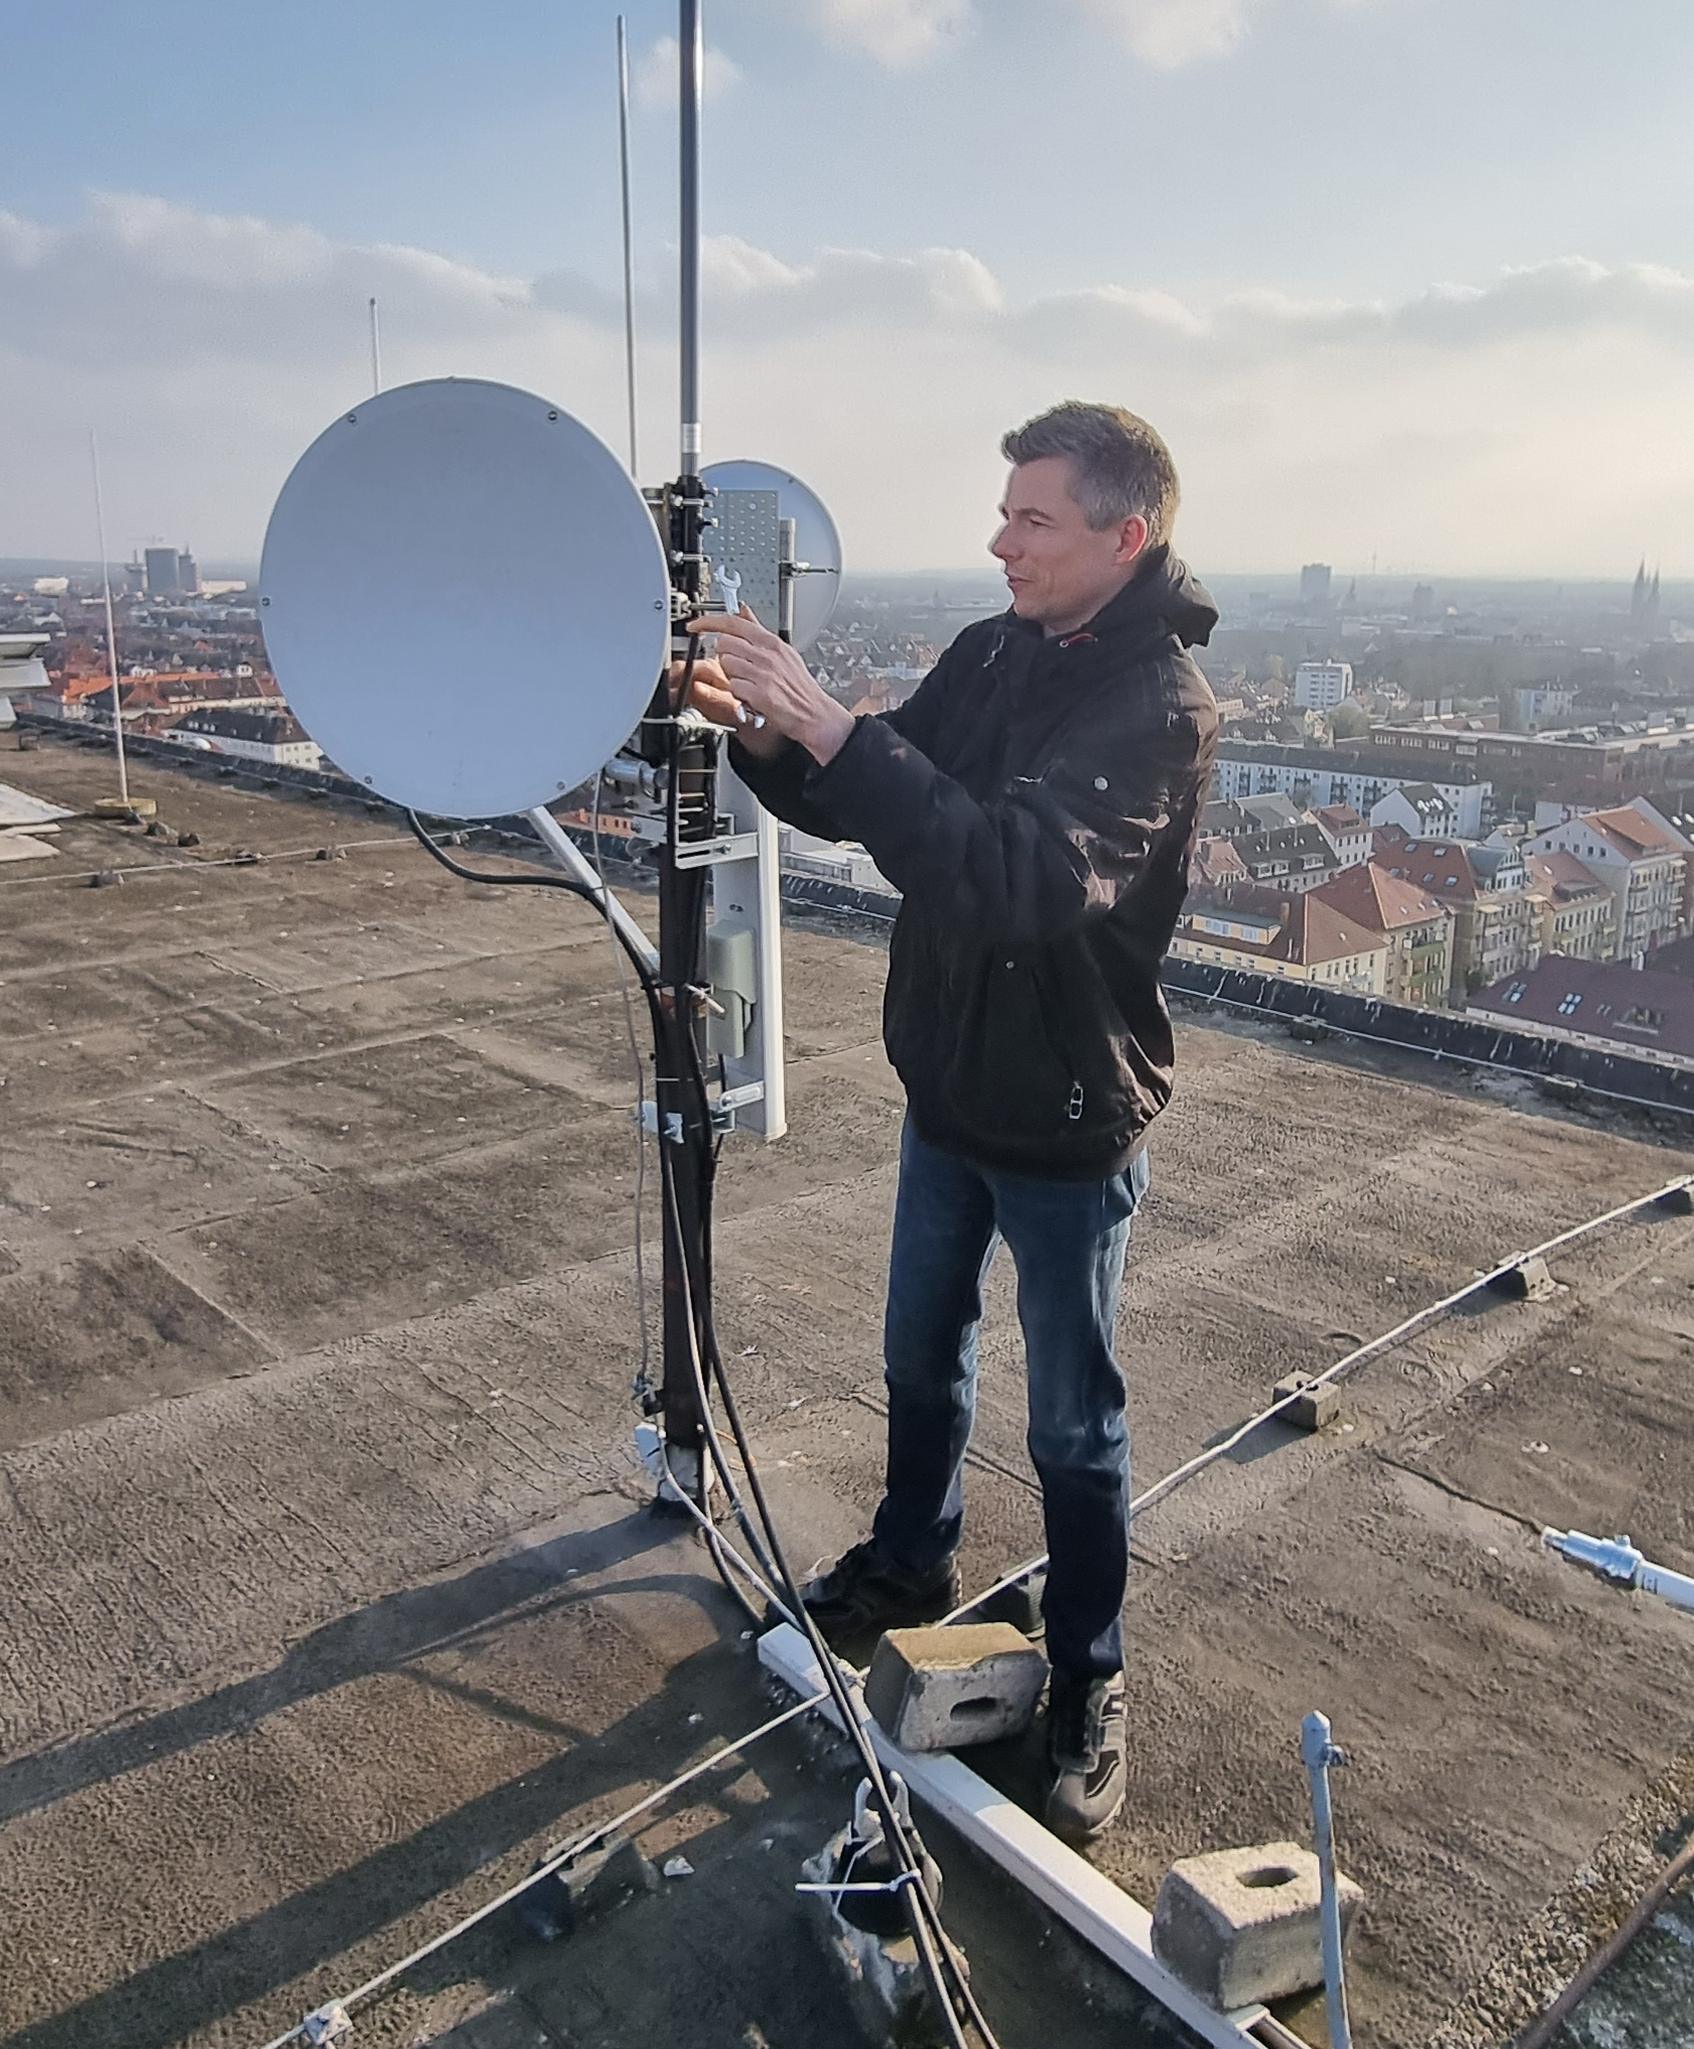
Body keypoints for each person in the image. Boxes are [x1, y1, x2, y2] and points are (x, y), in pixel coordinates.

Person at [683, 402, 1218, 1842]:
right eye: (1004, 515)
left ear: (1127, 535)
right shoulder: (995, 652)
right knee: (919, 1356)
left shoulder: (1154, 708)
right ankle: (914, 1560)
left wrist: (837, 726)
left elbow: (1014, 879)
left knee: (1072, 1425)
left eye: (1032, 519)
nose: (1000, 540)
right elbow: (883, 796)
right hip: (952, 1091)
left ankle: (1091, 1671)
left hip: (1062, 1119)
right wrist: (770, 737)